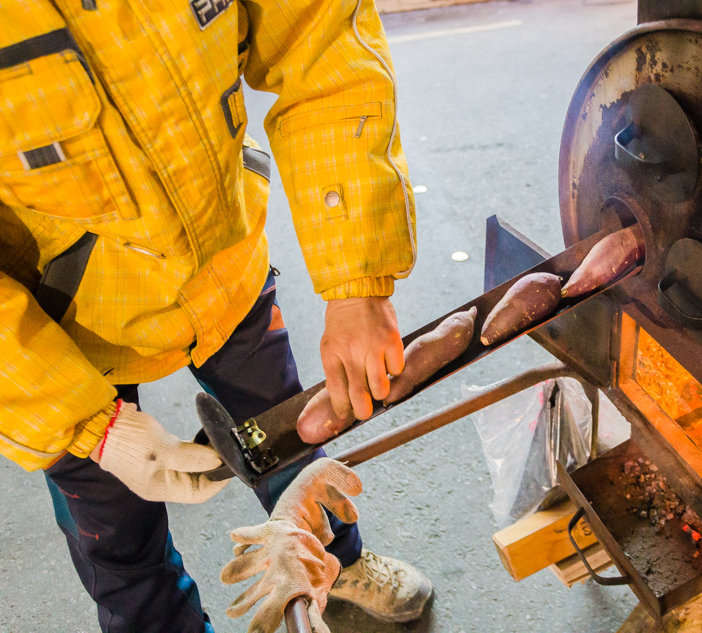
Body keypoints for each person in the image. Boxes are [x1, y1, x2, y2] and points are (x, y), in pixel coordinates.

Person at [0, 0, 432, 631]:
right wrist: (84, 425)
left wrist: (358, 281)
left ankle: (339, 563)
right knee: (115, 536)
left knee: (288, 437)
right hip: (64, 331)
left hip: (225, 266)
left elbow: (317, 37)